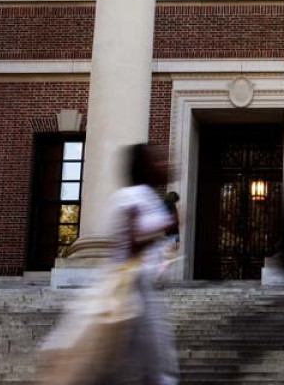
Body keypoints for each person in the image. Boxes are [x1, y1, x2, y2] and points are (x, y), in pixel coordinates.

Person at [101, 144, 179, 385]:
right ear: (143, 168)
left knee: (147, 366)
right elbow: (134, 236)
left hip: (136, 291)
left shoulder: (142, 196)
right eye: (157, 161)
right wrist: (167, 223)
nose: (165, 164)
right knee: (153, 364)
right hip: (131, 293)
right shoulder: (135, 196)